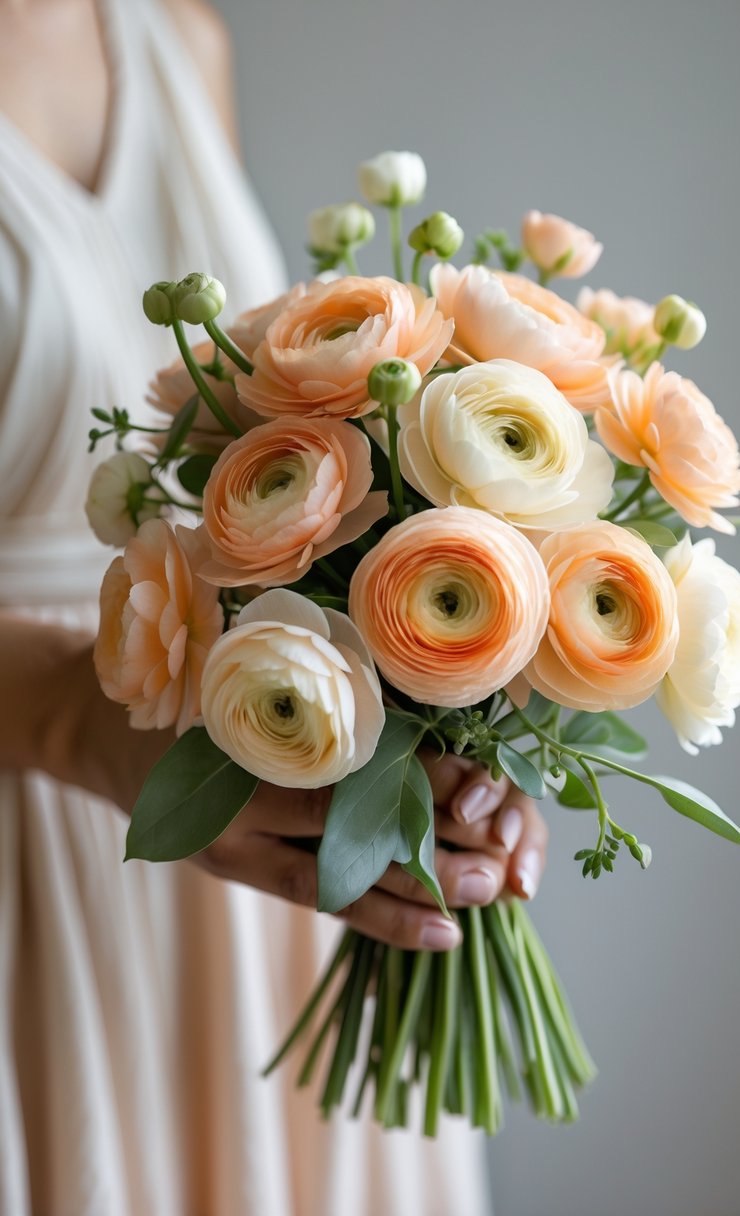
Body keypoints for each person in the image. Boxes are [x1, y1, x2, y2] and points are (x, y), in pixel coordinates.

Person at [0, 1, 549, 1213]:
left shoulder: (176, 40)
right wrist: (65, 720)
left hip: (250, 817)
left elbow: (239, 446)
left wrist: (451, 711)